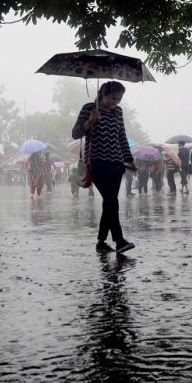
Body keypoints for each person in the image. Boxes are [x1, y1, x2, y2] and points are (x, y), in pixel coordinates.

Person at [72, 81, 136, 254]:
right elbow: (75, 133)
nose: (114, 102)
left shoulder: (118, 112)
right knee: (111, 201)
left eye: (118, 99)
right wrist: (89, 121)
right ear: (102, 94)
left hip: (117, 164)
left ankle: (101, 242)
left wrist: (129, 159)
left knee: (110, 203)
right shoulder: (89, 108)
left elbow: (122, 136)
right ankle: (119, 241)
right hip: (97, 163)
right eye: (111, 98)